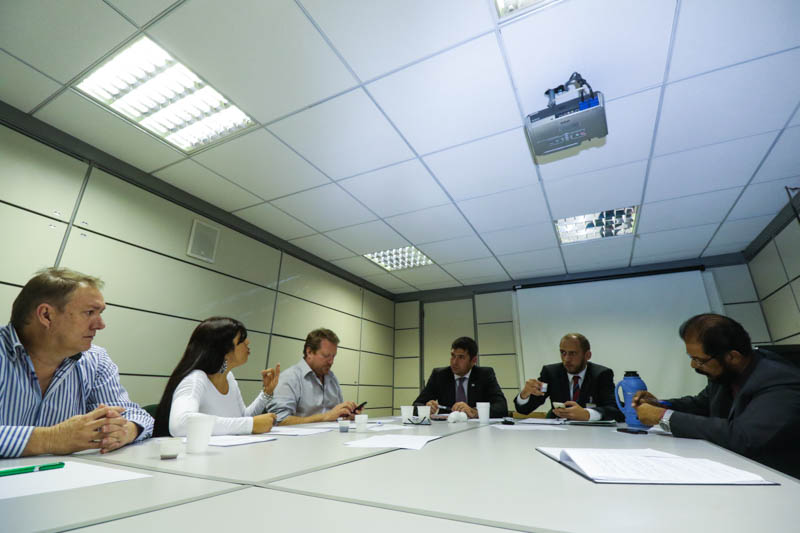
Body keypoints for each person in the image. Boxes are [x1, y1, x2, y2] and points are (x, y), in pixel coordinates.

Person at [0, 268, 153, 457]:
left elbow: (136, 415)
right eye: (89, 312)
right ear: (46, 315)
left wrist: (125, 430)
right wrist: (51, 438)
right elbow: (55, 439)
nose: (100, 325)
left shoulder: (96, 361)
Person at [634, 313, 800, 479]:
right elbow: (700, 405)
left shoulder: (781, 382)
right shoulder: (726, 374)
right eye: (691, 358)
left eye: (700, 360)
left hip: (778, 481)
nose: (693, 365)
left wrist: (663, 417)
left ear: (732, 357)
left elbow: (743, 437)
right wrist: (659, 405)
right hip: (732, 469)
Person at [153, 317, 280, 437]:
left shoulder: (229, 377)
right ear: (223, 350)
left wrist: (266, 393)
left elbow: (241, 417)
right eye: (241, 340)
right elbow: (180, 425)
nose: (248, 342)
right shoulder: (195, 379)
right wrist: (250, 424)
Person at [514, 333, 622, 421]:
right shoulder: (551, 373)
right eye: (563, 353)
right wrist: (524, 395)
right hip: (559, 433)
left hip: (592, 434)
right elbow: (524, 410)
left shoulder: (601, 374)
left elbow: (614, 410)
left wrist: (587, 414)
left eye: (572, 353)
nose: (566, 359)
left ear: (587, 355)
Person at [270, 328, 361, 425]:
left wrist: (346, 416)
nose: (331, 362)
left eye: (333, 356)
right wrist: (325, 417)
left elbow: (334, 416)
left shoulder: (332, 378)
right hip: (300, 439)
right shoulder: (289, 378)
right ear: (309, 352)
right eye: (326, 356)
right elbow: (279, 420)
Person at [414, 336, 507, 418]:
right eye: (453, 356)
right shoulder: (439, 375)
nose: (454, 362)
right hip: (445, 428)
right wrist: (426, 408)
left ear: (473, 360)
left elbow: (501, 407)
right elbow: (416, 405)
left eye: (461, 357)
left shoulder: (484, 375)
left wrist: (475, 412)